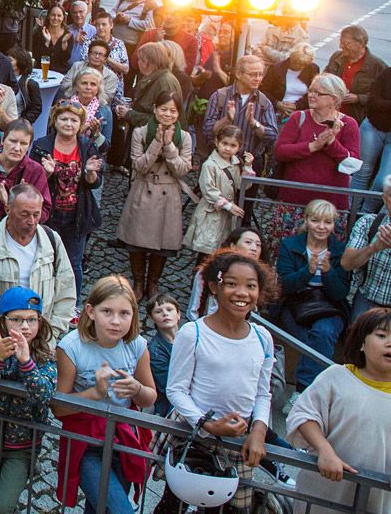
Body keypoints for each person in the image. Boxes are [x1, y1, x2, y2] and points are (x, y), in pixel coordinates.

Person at [155, 251, 277, 514]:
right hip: (195, 435)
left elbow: (262, 392)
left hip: (238, 441)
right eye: (232, 284)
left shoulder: (263, 338)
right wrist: (206, 424)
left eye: (251, 286)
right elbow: (176, 389)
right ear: (214, 287)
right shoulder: (193, 333)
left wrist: (258, 432)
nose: (241, 293)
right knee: (175, 503)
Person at [53, 276, 156, 514]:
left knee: (100, 509)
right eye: (107, 311)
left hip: (124, 439)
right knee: (120, 510)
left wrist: (137, 389)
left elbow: (150, 397)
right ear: (90, 311)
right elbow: (58, 407)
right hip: (85, 442)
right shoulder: (71, 347)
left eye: (124, 313)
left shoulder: (137, 345)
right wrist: (95, 393)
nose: (116, 321)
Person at [286, 307, 391, 514]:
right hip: (323, 491)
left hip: (377, 498)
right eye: (381, 335)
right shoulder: (336, 377)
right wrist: (325, 450)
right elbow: (304, 415)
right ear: (361, 342)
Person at [0, 287, 58, 514]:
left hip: (23, 445)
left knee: (1, 506)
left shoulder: (44, 354)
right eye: (17, 319)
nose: (25, 327)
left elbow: (43, 395)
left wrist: (26, 362)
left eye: (32, 319)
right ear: (3, 321)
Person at [0, 184, 76, 347]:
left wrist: (51, 336)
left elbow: (66, 291)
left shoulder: (52, 240)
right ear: (8, 209)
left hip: (39, 344)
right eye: (24, 214)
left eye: (36, 215)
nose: (31, 221)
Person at [117, 90, 192, 300]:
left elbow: (182, 169)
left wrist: (169, 146)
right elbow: (138, 165)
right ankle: (138, 282)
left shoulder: (184, 137)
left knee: (163, 246)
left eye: (173, 111)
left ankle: (153, 283)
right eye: (163, 109)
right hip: (145, 188)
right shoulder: (140, 133)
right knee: (136, 241)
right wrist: (156, 143)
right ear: (155, 109)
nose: (168, 114)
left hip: (169, 193)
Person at [30, 99, 103, 302]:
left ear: (80, 124)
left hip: (76, 214)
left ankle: (73, 303)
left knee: (73, 263)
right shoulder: (42, 145)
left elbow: (94, 183)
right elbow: (32, 184)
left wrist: (89, 173)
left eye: (73, 120)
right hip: (49, 214)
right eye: (63, 119)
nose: (68, 124)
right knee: (45, 260)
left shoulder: (86, 146)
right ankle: (42, 299)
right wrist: (46, 173)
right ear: (55, 120)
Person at [277, 199, 350, 393]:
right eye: (316, 220)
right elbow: (285, 285)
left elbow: (340, 292)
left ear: (334, 225)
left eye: (327, 222)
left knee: (324, 332)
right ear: (306, 220)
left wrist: (327, 272)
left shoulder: (340, 250)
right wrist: (308, 271)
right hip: (296, 303)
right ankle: (314, 393)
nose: (321, 227)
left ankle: (302, 391)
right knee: (312, 339)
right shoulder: (290, 245)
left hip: (329, 305)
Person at [272, 73, 362, 229]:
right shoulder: (298, 117)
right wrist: (312, 146)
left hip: (329, 208)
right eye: (311, 91)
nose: (311, 95)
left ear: (333, 99)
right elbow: (280, 152)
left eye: (318, 93)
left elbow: (352, 164)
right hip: (293, 202)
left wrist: (331, 143)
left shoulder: (349, 124)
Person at [0, 119, 51, 225]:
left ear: (29, 146)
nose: (17, 148)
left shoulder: (35, 171)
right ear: (2, 140)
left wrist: (16, 204)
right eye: (13, 141)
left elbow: (44, 212)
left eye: (23, 143)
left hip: (22, 233)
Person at [183, 125, 253, 255]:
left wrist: (247, 167)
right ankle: (200, 275)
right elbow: (208, 190)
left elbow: (241, 185)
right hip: (211, 214)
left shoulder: (236, 164)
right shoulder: (210, 165)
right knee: (207, 252)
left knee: (221, 251)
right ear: (217, 142)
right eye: (224, 143)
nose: (227, 148)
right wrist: (227, 205)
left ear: (239, 147)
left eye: (233, 145)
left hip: (226, 216)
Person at [201, 54, 278, 169]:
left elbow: (272, 135)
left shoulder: (264, 102)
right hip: (220, 162)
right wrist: (226, 120)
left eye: (260, 74)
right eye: (253, 74)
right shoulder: (220, 96)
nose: (257, 78)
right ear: (238, 74)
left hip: (249, 163)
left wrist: (254, 124)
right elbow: (207, 130)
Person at [186, 228, 269, 321]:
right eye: (248, 242)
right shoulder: (209, 271)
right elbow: (195, 310)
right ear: (233, 245)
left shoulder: (260, 276)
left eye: (258, 245)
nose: (254, 248)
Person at [342, 175, 391, 319]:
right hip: (367, 300)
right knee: (357, 339)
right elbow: (347, 263)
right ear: (384, 199)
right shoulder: (368, 223)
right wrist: (374, 247)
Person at [324, 25, 386, 125]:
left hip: (359, 121)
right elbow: (323, 79)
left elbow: (384, 97)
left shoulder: (378, 66)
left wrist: (358, 98)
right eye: (340, 42)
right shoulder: (336, 57)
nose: (341, 46)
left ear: (361, 43)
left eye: (346, 43)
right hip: (329, 116)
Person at [352, 62, 391, 212]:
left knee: (383, 181)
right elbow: (373, 101)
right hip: (373, 126)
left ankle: (364, 214)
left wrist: (385, 105)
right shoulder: (387, 73)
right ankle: (350, 212)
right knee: (361, 171)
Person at [260, 41, 319, 122]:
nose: (299, 66)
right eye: (296, 62)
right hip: (276, 111)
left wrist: (296, 106)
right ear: (291, 56)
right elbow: (263, 90)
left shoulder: (313, 69)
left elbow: (315, 92)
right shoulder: (276, 69)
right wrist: (277, 104)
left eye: (303, 65)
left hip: (302, 112)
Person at [146, 292, 182, 417]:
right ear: (152, 318)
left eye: (169, 309)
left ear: (178, 314)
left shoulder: (191, 337)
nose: (165, 313)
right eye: (158, 311)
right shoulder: (155, 350)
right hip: (170, 406)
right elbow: (168, 386)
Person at [33, 5, 72, 74]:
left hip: (61, 73)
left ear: (63, 17)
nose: (56, 18)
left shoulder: (67, 35)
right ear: (48, 16)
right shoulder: (39, 33)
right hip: (42, 72)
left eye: (59, 15)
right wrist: (47, 42)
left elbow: (65, 58)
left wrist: (64, 46)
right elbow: (37, 57)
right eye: (53, 15)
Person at [6, 48, 42, 124]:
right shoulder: (3, 80)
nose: (7, 62)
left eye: (10, 60)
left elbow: (36, 108)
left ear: (20, 62)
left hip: (19, 126)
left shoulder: (30, 84)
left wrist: (23, 122)